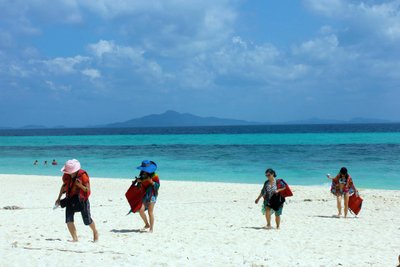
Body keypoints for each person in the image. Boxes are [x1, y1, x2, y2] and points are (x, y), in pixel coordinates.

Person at [55, 159, 99, 242]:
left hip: (82, 200)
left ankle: (95, 232)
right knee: (68, 220)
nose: (69, 173)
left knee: (87, 221)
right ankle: (75, 239)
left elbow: (87, 190)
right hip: (70, 199)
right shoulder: (66, 175)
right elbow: (64, 186)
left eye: (71, 172)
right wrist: (58, 198)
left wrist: (80, 185)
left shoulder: (83, 176)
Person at [133, 160, 160, 233]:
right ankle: (147, 224)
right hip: (144, 195)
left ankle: (151, 229)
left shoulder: (154, 175)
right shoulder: (142, 174)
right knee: (141, 210)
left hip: (152, 195)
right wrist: (138, 181)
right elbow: (142, 183)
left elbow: (158, 186)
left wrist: (152, 182)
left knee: (150, 212)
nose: (144, 171)